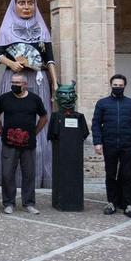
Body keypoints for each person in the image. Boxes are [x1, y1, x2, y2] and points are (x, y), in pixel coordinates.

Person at [0, 0, 59, 189]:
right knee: (12, 116)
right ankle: (7, 173)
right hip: (14, 77)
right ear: (15, 5)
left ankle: (39, 174)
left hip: (38, 79)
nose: (27, 7)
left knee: (39, 117)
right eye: (22, 3)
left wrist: (55, 83)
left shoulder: (42, 30)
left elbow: (50, 58)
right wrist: (11, 64)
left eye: (31, 2)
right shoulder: (7, 28)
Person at [0, 72, 47, 214]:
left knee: (29, 174)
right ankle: (8, 203)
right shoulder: (4, 98)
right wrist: (1, 129)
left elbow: (44, 117)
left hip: (28, 144)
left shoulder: (35, 99)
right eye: (13, 83)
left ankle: (28, 203)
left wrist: (35, 131)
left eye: (18, 83)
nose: (15, 85)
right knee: (7, 173)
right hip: (9, 143)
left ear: (25, 84)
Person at [91, 74, 131, 218]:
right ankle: (111, 202)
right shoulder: (102, 103)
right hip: (109, 144)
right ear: (111, 85)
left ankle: (128, 205)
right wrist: (97, 142)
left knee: (127, 175)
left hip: (128, 145)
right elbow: (96, 124)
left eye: (120, 86)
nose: (118, 88)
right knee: (110, 174)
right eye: (115, 85)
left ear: (124, 86)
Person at [47, 81, 89, 211]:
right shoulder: (56, 116)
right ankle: (60, 202)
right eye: (64, 95)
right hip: (61, 154)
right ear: (58, 97)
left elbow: (84, 133)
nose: (68, 98)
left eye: (70, 94)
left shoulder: (79, 117)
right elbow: (53, 135)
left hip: (75, 154)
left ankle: (74, 202)